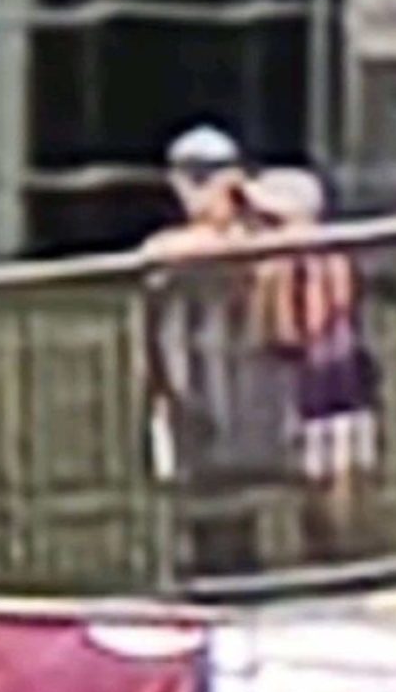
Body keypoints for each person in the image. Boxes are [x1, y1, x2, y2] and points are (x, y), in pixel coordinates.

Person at [142, 122, 301, 581]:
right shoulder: (171, 248)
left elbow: (297, 230)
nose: (199, 190)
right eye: (190, 177)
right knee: (199, 495)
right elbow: (164, 261)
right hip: (192, 384)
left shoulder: (263, 237)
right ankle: (203, 575)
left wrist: (249, 202)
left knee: (244, 495)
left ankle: (242, 572)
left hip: (249, 387)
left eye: (211, 175)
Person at [251, 166, 381, 564]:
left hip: (324, 386)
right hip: (330, 386)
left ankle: (340, 561)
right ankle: (335, 557)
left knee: (331, 488)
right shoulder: (330, 257)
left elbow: (288, 333)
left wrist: (269, 285)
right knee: (324, 484)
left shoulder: (309, 262)